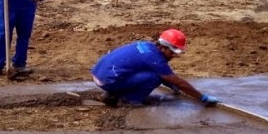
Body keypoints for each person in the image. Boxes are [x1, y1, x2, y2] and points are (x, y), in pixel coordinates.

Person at [90, 29, 220, 107]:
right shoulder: (155, 59)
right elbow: (178, 82)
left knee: (153, 73)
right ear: (163, 47)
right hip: (109, 80)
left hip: (100, 74)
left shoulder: (146, 45)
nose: (174, 55)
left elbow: (168, 77)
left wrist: (172, 87)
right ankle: (131, 101)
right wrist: (202, 97)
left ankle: (113, 93)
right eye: (172, 52)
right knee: (155, 77)